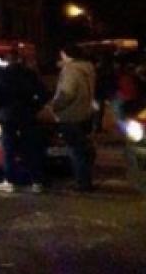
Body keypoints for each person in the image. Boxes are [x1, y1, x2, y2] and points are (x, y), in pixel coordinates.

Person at [0, 48, 49, 193]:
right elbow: (44, 94)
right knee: (30, 148)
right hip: (27, 114)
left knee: (9, 149)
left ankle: (10, 180)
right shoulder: (29, 74)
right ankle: (36, 181)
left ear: (6, 60)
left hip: (7, 115)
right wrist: (34, 107)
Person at [48, 44, 97, 192]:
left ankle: (82, 182)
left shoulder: (70, 70)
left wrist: (54, 106)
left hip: (71, 115)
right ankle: (86, 179)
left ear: (66, 54)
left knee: (76, 150)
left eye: (62, 54)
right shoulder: (88, 68)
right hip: (86, 113)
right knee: (84, 149)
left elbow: (67, 93)